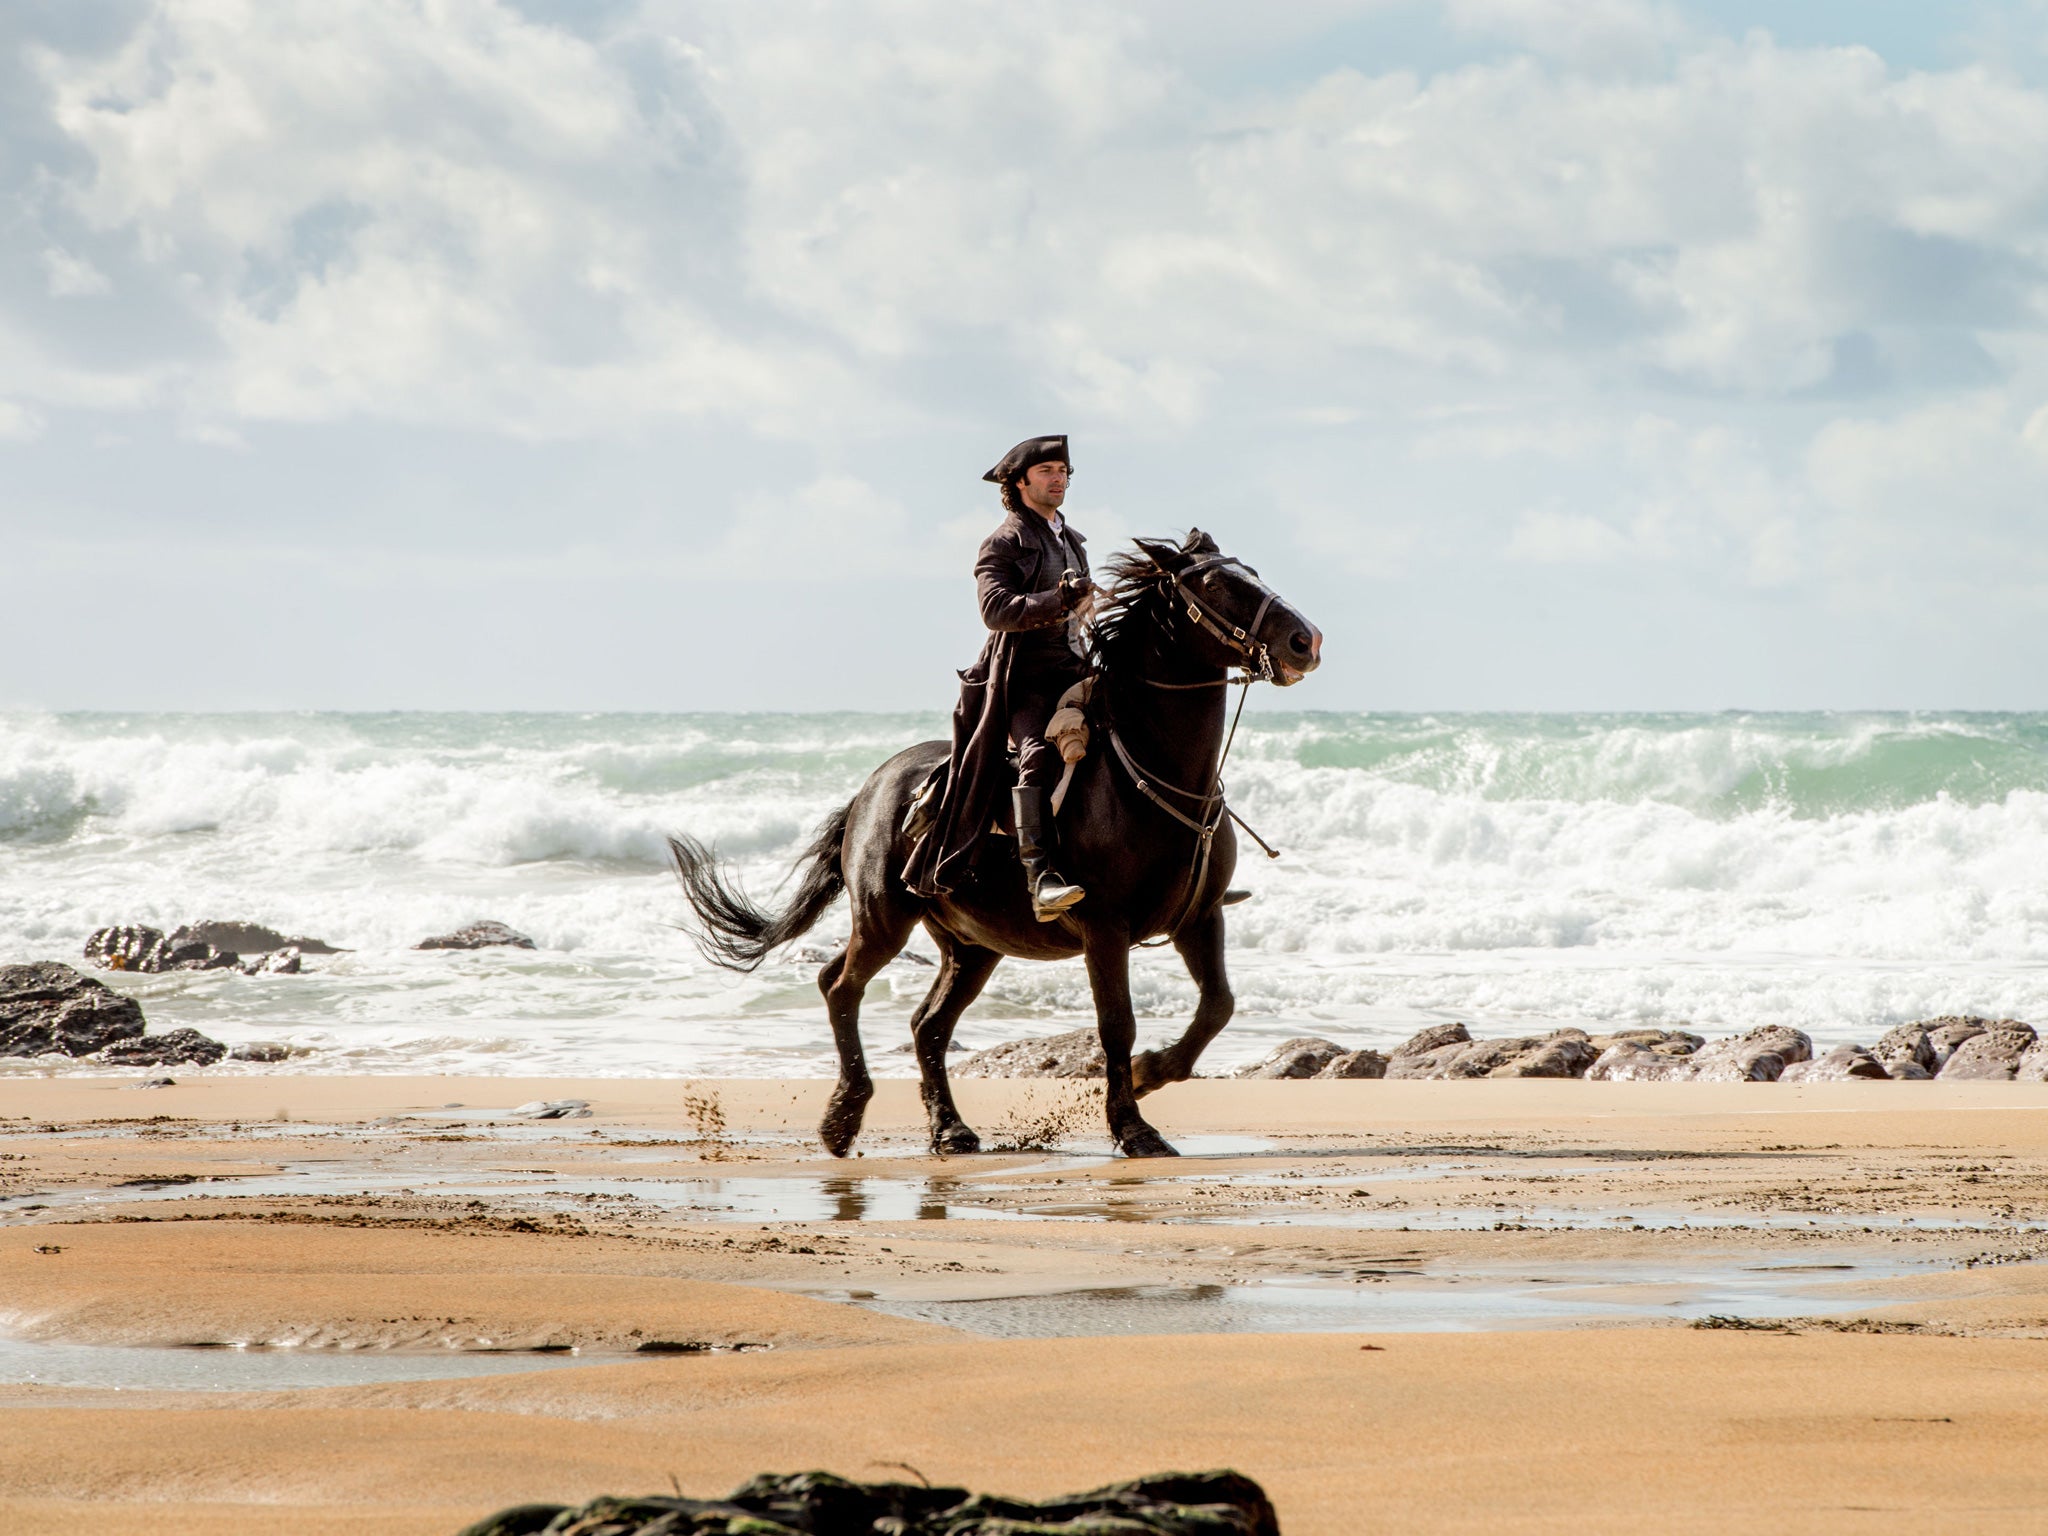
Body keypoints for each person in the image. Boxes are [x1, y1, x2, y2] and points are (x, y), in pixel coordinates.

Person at [902, 434, 1093, 918]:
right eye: (1048, 470)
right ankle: (1041, 877)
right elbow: (996, 611)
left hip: (1077, 671)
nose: (1058, 479)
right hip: (1023, 679)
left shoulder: (1072, 542)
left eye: (1063, 471)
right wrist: (1060, 600)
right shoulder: (1003, 542)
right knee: (1037, 758)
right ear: (1021, 481)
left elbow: (1080, 614)